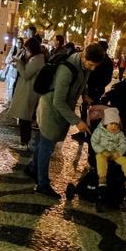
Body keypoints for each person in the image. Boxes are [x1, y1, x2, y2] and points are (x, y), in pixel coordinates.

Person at [26, 43, 103, 198]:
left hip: (61, 110)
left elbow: (81, 82)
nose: (92, 68)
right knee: (47, 146)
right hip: (51, 109)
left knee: (46, 142)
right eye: (90, 64)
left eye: (95, 65)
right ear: (83, 56)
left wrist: (84, 94)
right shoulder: (66, 70)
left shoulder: (84, 66)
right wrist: (77, 121)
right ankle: (42, 184)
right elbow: (58, 101)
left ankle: (32, 167)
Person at [7, 36, 46, 149]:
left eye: (27, 49)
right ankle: (23, 142)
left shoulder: (38, 59)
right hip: (26, 90)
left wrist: (19, 63)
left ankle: (24, 143)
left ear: (32, 48)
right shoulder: (34, 58)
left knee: (25, 118)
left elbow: (26, 74)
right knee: (23, 118)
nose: (26, 51)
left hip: (29, 92)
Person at [90, 107, 126, 190]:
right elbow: (94, 142)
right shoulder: (99, 131)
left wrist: (118, 153)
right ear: (106, 123)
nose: (114, 127)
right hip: (103, 153)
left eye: (116, 124)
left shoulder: (120, 134)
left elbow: (123, 144)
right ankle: (102, 177)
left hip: (115, 154)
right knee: (99, 158)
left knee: (125, 161)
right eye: (111, 124)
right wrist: (102, 151)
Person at [85, 39, 114, 105]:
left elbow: (108, 78)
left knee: (91, 104)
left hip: (95, 87)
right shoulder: (108, 61)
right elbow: (108, 78)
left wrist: (99, 86)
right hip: (96, 87)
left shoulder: (106, 61)